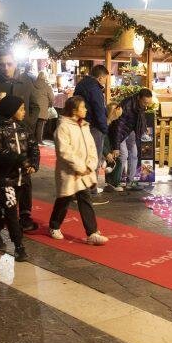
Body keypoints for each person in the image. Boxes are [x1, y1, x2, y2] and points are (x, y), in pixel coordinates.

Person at [0, 51, 40, 230]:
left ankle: (25, 215)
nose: (6, 68)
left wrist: (28, 124)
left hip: (22, 137)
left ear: (15, 63)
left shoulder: (26, 81)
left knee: (25, 178)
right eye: (2, 64)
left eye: (9, 64)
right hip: (2, 138)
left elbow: (35, 105)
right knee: (1, 178)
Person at [48, 96, 108, 245]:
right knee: (64, 199)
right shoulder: (63, 127)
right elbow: (64, 151)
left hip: (84, 172)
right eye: (83, 107)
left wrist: (90, 165)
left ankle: (92, 232)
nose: (86, 110)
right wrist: (80, 166)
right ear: (74, 110)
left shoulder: (85, 126)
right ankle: (54, 225)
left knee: (85, 198)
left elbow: (92, 147)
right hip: (69, 171)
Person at [0, 95, 40, 262]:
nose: (24, 112)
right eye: (21, 109)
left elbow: (34, 147)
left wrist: (34, 163)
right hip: (5, 179)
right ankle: (19, 247)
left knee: (6, 211)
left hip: (21, 178)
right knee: (11, 211)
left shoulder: (24, 128)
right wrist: (18, 159)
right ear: (12, 110)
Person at [73, 65, 109, 193]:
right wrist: (104, 129)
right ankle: (92, 188)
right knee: (94, 158)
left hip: (80, 124)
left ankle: (82, 187)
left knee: (83, 156)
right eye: (105, 79)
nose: (105, 82)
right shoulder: (95, 89)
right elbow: (99, 111)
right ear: (100, 78)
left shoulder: (81, 84)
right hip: (93, 126)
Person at [109, 89, 154, 189]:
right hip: (121, 133)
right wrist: (116, 147)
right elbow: (118, 126)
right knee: (123, 155)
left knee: (134, 154)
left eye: (148, 103)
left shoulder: (141, 105)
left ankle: (131, 181)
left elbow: (140, 119)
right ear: (138, 98)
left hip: (130, 131)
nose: (146, 105)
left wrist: (142, 129)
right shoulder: (126, 105)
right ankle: (116, 182)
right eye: (145, 102)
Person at [33, 71, 55, 145]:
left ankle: (33, 139)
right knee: (41, 124)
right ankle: (39, 140)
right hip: (43, 107)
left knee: (34, 124)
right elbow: (52, 97)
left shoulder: (33, 83)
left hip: (34, 106)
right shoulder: (47, 85)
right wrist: (51, 104)